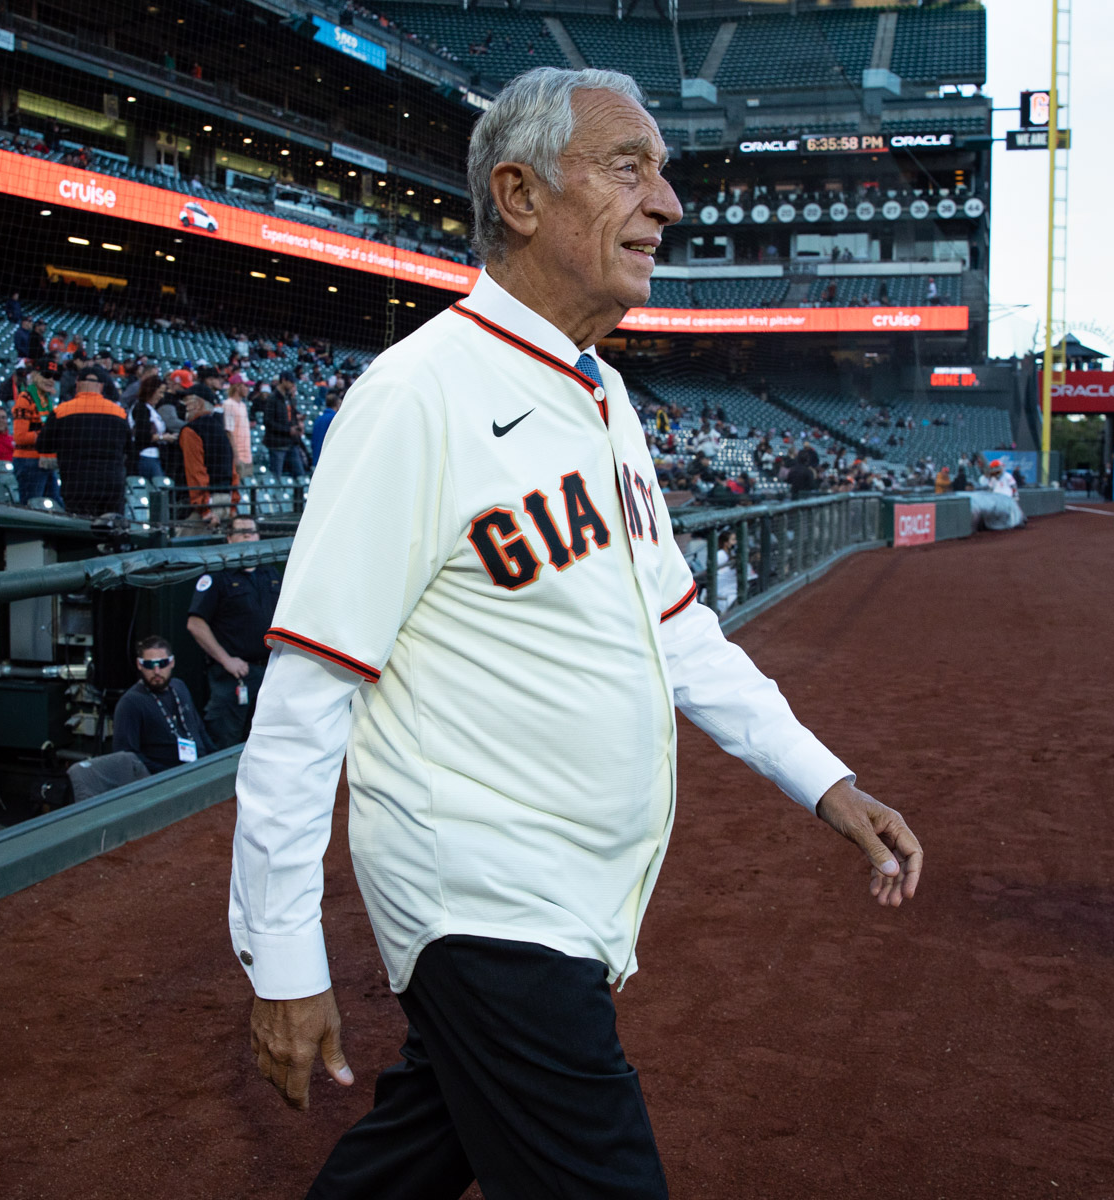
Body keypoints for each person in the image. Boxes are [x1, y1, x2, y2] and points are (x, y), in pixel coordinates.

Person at [229, 67, 921, 1200]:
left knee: (415, 1154)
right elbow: (309, 693)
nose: (669, 205)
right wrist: (284, 954)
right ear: (519, 195)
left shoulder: (606, 397)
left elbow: (679, 630)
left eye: (662, 173)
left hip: (573, 893)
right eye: (627, 168)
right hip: (483, 894)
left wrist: (825, 782)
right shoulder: (418, 393)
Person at [186, 517, 280, 748]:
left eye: (252, 531)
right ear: (229, 538)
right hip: (234, 677)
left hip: (270, 673)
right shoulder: (217, 575)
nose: (248, 535)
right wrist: (226, 659)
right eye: (241, 532)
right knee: (226, 742)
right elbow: (195, 623)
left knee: (267, 742)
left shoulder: (270, 573)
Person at [35, 368, 132, 517]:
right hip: (112, 484)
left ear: (78, 384)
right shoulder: (118, 412)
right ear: (101, 386)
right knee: (112, 525)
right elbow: (130, 449)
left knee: (80, 527)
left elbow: (43, 445)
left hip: (77, 485)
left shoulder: (62, 411)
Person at [111, 636, 213, 773]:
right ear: (139, 665)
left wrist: (215, 758)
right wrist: (168, 775)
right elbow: (127, 755)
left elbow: (199, 729)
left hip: (199, 767)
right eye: (149, 665)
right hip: (166, 776)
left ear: (172, 662)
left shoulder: (179, 687)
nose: (157, 671)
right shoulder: (131, 702)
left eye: (162, 663)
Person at [178, 384, 236, 526]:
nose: (185, 406)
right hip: (225, 500)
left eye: (187, 401)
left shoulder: (191, 430)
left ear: (198, 403)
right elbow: (233, 470)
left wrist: (203, 508)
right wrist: (233, 505)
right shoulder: (221, 430)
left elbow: (195, 471)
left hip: (205, 506)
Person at [11, 361, 62, 504]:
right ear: (35, 375)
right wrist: (47, 435)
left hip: (45, 461)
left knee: (55, 504)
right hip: (29, 462)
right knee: (32, 506)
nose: (51, 380)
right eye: (47, 375)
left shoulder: (46, 399)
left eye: (54, 377)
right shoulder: (25, 399)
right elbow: (20, 437)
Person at [262, 373, 308, 478]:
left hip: (291, 442)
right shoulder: (272, 398)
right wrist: (288, 430)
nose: (292, 384)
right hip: (277, 444)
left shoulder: (287, 398)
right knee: (276, 476)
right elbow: (268, 422)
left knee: (300, 474)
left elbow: (291, 416)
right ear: (283, 380)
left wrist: (297, 424)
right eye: (291, 382)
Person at [307, 392, 338, 464]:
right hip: (329, 458)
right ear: (337, 404)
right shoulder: (335, 418)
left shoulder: (318, 419)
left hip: (317, 457)